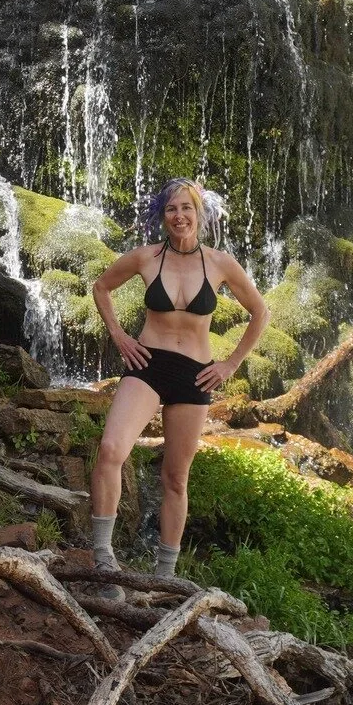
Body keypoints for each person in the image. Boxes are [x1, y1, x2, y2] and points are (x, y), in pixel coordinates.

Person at [85, 178, 270, 592]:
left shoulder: (221, 264)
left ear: (200, 213)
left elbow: (260, 312)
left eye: (187, 208)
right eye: (171, 209)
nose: (180, 216)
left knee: (175, 479)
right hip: (148, 365)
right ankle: (103, 561)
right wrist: (118, 335)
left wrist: (230, 364)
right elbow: (101, 288)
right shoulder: (146, 258)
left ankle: (164, 578)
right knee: (112, 448)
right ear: (162, 215)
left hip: (195, 375)